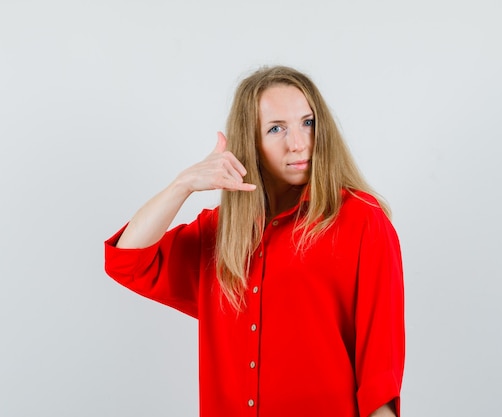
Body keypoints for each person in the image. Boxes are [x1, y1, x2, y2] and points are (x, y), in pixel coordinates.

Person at [104, 65, 405, 417]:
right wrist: (182, 185)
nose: (298, 143)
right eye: (276, 128)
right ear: (251, 142)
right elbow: (127, 260)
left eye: (308, 122)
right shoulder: (220, 233)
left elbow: (379, 374)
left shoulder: (361, 220)